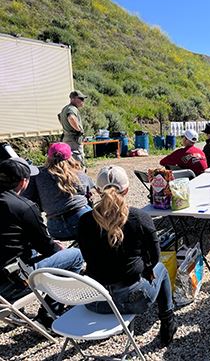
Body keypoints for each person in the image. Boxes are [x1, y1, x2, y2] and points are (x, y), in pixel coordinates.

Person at [78, 166, 177, 345]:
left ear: (98, 190)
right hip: (134, 300)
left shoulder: (85, 221)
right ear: (127, 189)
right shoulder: (140, 217)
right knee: (160, 267)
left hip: (95, 302)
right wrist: (146, 269)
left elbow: (86, 257)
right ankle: (168, 321)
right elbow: (155, 258)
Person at [0, 157, 84, 324]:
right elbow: (47, 248)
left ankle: (17, 312)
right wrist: (56, 247)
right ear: (24, 182)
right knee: (76, 255)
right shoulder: (24, 207)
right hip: (13, 283)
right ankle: (49, 315)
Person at [28, 142, 94, 240]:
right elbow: (90, 189)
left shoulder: (38, 175)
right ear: (70, 157)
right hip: (81, 220)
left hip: (55, 228)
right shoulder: (77, 174)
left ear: (48, 157)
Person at [58, 90, 87, 165]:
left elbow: (59, 117)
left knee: (69, 162)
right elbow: (71, 117)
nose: (82, 101)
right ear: (73, 99)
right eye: (80, 99)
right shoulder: (72, 108)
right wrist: (79, 130)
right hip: (74, 140)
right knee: (78, 163)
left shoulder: (65, 108)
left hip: (67, 138)